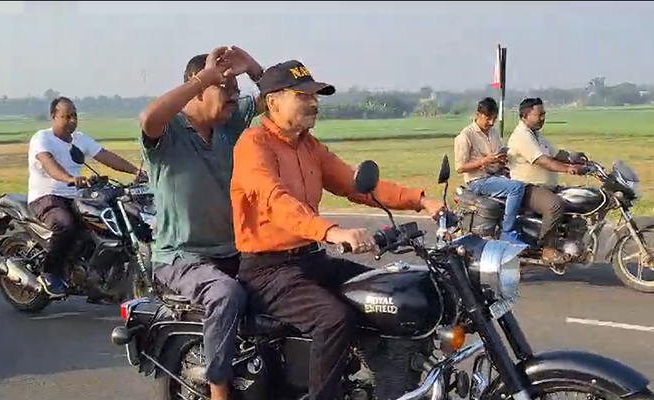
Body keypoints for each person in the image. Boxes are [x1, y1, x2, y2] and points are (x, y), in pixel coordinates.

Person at [230, 59, 445, 400]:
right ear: (273, 102)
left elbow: (355, 184)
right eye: (303, 96)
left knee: (388, 294)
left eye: (315, 95)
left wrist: (421, 201)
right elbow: (275, 200)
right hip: (268, 271)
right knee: (332, 319)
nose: (313, 102)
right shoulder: (253, 145)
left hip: (311, 262)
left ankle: (387, 379)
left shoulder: (309, 146)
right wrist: (331, 231)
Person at [139, 45, 264, 400]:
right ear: (199, 88)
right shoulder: (170, 134)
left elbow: (276, 102)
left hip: (232, 249)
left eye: (237, 91)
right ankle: (218, 387)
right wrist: (207, 77)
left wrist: (253, 66)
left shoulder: (226, 126)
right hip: (181, 257)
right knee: (225, 294)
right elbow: (149, 118)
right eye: (226, 89)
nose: (235, 98)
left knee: (288, 275)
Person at [28, 97, 144, 299]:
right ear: (53, 117)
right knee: (64, 225)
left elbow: (106, 156)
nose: (72, 120)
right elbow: (49, 164)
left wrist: (135, 171)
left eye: (74, 115)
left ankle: (96, 278)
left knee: (104, 224)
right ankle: (50, 273)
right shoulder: (42, 138)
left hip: (76, 196)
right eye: (66, 116)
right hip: (47, 197)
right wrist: (70, 178)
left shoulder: (80, 139)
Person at [507, 97, 586, 263]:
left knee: (578, 200)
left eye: (544, 114)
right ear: (525, 116)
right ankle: (548, 250)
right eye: (539, 114)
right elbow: (542, 160)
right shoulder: (522, 136)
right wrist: (567, 168)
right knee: (554, 205)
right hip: (527, 187)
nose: (543, 118)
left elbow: (555, 154)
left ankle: (570, 243)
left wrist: (576, 158)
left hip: (547, 186)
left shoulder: (536, 135)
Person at [454, 97, 526, 245]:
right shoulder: (465, 136)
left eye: (493, 119)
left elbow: (498, 153)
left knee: (526, 181)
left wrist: (502, 158)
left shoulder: (493, 132)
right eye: (488, 119)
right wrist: (483, 161)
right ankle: (508, 231)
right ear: (478, 115)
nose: (491, 123)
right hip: (478, 180)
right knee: (516, 188)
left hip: (497, 174)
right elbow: (460, 167)